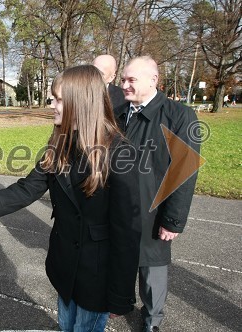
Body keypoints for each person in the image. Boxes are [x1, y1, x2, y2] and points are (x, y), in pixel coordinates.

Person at [0, 65, 142, 331]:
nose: (51, 105)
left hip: (97, 277)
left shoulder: (120, 153)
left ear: (80, 102)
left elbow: (127, 232)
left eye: (58, 99)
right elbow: (28, 188)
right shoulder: (60, 141)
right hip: (65, 267)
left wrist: (120, 294)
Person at [115, 56, 199, 332]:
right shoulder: (118, 112)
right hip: (119, 208)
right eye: (123, 79)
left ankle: (152, 322)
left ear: (153, 81)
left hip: (154, 211)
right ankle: (121, 303)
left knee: (152, 270)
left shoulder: (178, 115)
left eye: (131, 80)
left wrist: (173, 220)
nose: (124, 85)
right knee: (121, 260)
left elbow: (184, 171)